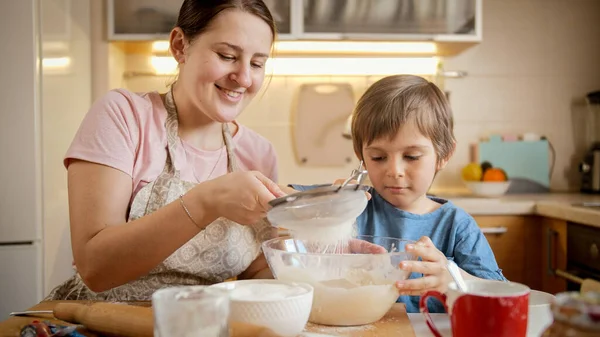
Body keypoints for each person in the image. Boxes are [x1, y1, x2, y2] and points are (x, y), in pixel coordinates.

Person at [47, 0, 286, 301]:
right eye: (227, 56)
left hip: (200, 326)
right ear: (180, 46)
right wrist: (207, 201)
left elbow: (254, 275)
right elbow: (96, 267)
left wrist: (304, 244)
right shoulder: (124, 117)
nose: (245, 78)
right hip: (102, 323)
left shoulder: (259, 153)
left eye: (256, 63)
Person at [290, 75, 506, 313]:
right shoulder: (354, 205)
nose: (394, 171)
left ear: (443, 155)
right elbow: (279, 200)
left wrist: (454, 279)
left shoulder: (457, 226)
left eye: (411, 156)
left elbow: (500, 296)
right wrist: (327, 205)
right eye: (378, 157)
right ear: (361, 155)